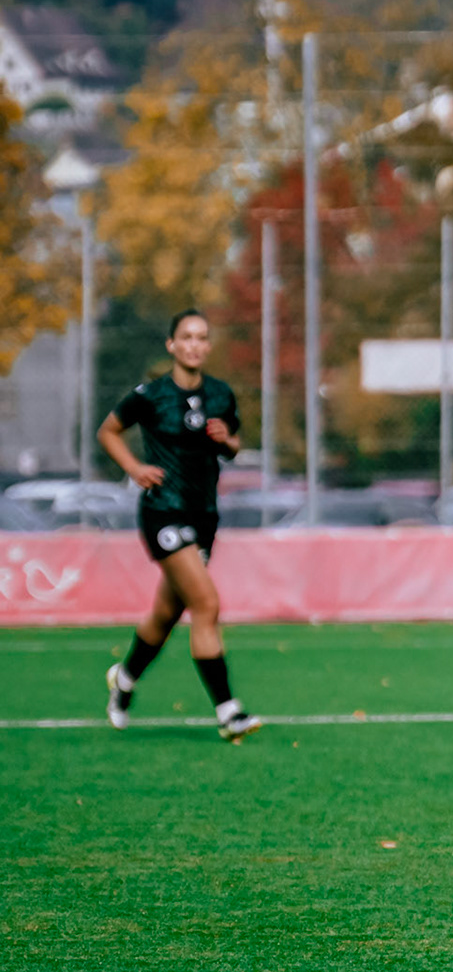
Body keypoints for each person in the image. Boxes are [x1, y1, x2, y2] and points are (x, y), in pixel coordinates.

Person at [97, 309, 263, 742]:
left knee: (167, 615)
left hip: (203, 516)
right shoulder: (150, 395)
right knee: (206, 604)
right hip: (162, 513)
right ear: (171, 345)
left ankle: (125, 681)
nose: (194, 344)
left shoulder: (222, 395)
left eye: (202, 337)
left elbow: (233, 446)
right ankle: (229, 711)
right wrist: (135, 467)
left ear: (208, 346)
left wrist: (227, 439)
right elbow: (109, 431)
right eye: (186, 337)